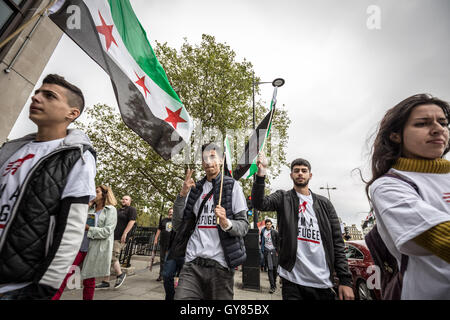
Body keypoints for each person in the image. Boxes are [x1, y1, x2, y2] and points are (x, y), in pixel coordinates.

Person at [0, 74, 96, 300]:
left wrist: (46, 287)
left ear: (72, 113)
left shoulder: (76, 157)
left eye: (49, 96)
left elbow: (71, 230)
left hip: (17, 286)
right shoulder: (12, 150)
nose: (36, 98)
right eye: (37, 92)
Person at [366, 94, 450, 299]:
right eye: (422, 123)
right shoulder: (388, 186)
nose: (438, 129)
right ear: (395, 135)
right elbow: (441, 237)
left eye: (443, 122)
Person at [252, 153, 354, 300]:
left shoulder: (324, 204)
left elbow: (337, 242)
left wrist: (345, 281)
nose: (300, 173)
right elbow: (259, 203)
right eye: (296, 170)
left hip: (323, 282)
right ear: (291, 175)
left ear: (310, 175)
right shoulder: (283, 198)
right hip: (293, 282)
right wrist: (261, 174)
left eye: (304, 170)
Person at [168, 142, 249, 300]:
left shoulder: (232, 186)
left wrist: (226, 223)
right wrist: (182, 195)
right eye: (204, 158)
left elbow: (244, 226)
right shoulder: (195, 188)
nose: (208, 161)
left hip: (221, 266)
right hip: (192, 263)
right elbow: (178, 224)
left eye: (212, 157)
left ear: (220, 160)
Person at [80, 185, 117, 299]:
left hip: (95, 249)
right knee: (66, 274)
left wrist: (89, 229)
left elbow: (107, 231)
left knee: (89, 281)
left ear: (104, 194)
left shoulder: (110, 210)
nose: (94, 194)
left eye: (97, 192)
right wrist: (87, 206)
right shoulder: (90, 208)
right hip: (81, 246)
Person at [96, 194, 136, 289]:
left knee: (113, 257)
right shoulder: (117, 210)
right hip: (111, 236)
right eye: (122, 199)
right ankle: (106, 281)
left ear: (130, 201)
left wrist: (125, 233)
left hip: (120, 238)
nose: (123, 200)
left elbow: (132, 221)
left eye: (126, 199)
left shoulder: (131, 209)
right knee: (108, 258)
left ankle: (120, 274)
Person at [153, 208, 174, 281]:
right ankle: (161, 275)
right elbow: (159, 229)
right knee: (162, 260)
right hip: (163, 243)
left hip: (172, 244)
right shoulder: (164, 220)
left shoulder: (176, 221)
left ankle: (168, 276)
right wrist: (155, 239)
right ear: (168, 213)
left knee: (169, 260)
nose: (171, 213)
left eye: (172, 212)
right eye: (170, 212)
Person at [260, 219, 279, 293]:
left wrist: (277, 251)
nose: (268, 225)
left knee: (275, 268)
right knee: (270, 269)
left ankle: (274, 282)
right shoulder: (263, 232)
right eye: (267, 224)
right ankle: (272, 286)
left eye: (269, 224)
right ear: (265, 225)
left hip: (274, 251)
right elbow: (262, 241)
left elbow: (278, 242)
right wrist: (263, 250)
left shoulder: (275, 232)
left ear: (271, 225)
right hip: (267, 251)